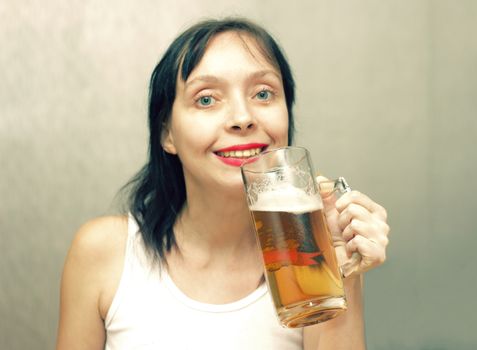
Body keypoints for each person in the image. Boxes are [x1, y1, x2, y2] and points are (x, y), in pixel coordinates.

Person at [56, 17, 390, 350]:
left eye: (263, 93)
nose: (242, 118)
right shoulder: (104, 253)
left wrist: (342, 269)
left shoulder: (311, 264)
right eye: (206, 99)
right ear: (167, 133)